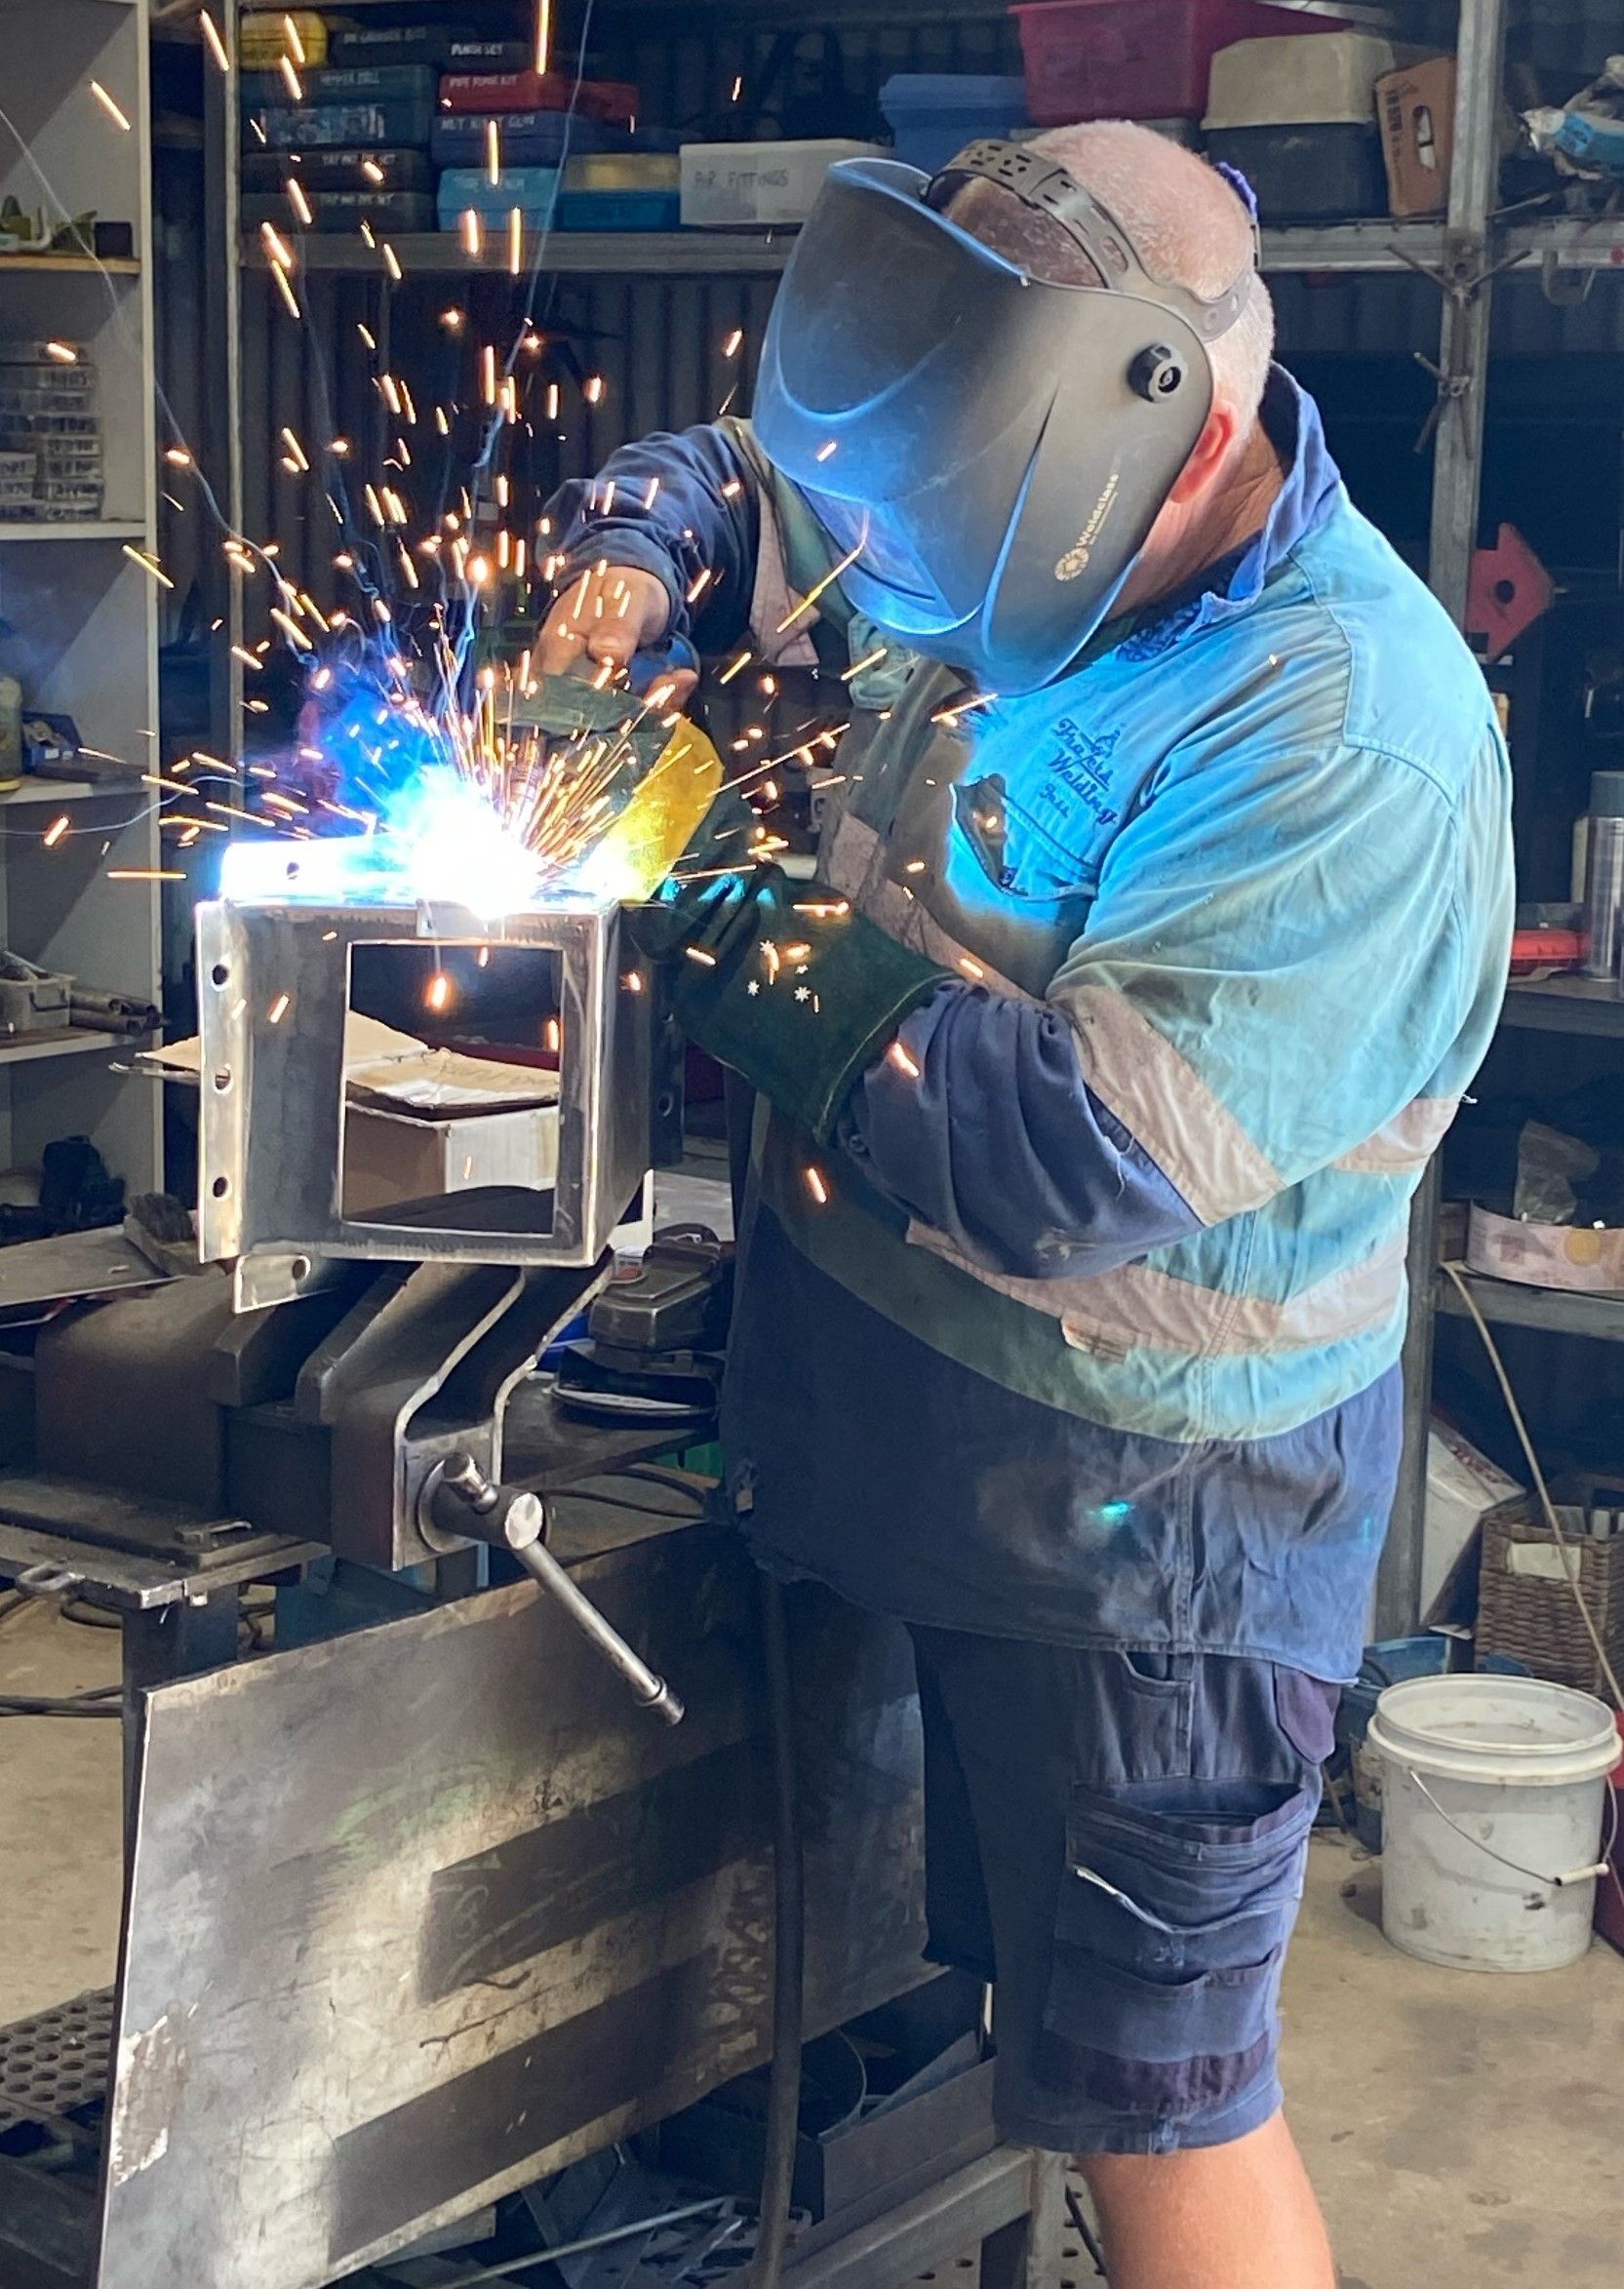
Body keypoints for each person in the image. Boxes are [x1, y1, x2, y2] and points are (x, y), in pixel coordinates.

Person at [539, 120, 1513, 2289]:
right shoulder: (994, 464)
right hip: (900, 1456)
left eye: (929, 555)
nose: (871, 592)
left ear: (1165, 454)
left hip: (1140, 1559)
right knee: (931, 2013)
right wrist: (628, 556)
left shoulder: (1343, 736)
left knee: (1160, 2109)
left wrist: (691, 878)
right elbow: (766, 473)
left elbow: (1050, 1154)